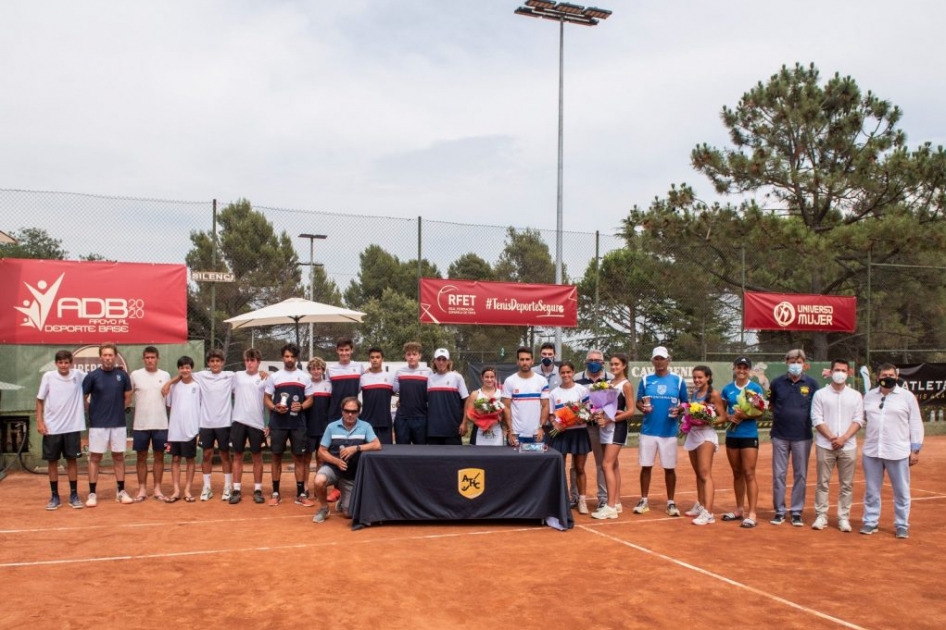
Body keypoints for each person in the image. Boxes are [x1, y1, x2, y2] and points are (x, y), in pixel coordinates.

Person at [861, 364, 924, 538]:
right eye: (883, 374)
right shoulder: (869, 397)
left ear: (897, 377)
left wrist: (915, 449)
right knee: (872, 490)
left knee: (901, 491)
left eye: (890, 374)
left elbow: (916, 422)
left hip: (898, 451)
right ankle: (870, 522)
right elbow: (860, 419)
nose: (887, 377)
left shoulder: (907, 397)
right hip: (872, 451)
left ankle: (902, 524)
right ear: (877, 377)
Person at [810, 359, 863, 532]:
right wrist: (833, 437)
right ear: (831, 371)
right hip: (825, 445)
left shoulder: (855, 396)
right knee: (822, 483)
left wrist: (844, 438)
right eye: (837, 370)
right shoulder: (820, 394)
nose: (840, 373)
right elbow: (817, 419)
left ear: (848, 373)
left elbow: (858, 420)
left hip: (848, 447)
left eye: (843, 370)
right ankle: (821, 516)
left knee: (846, 484)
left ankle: (843, 518)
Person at [634, 346, 688, 517]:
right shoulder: (645, 379)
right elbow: (638, 402)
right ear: (652, 361)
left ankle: (671, 502)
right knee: (646, 466)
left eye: (662, 358)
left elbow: (685, 403)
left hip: (669, 431)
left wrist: (679, 410)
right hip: (648, 431)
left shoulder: (678, 380)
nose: (659, 362)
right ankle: (643, 500)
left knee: (669, 468)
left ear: (668, 360)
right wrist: (643, 408)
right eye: (656, 359)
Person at [768, 349, 818, 527]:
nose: (795, 364)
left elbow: (816, 408)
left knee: (800, 475)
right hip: (780, 435)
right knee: (779, 475)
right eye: (792, 361)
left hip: (803, 436)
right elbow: (771, 404)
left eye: (799, 361)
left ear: (804, 363)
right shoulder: (777, 383)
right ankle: (779, 511)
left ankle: (796, 512)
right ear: (786, 362)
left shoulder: (812, 383)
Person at [312, 397, 382, 523]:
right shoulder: (331, 427)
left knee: (348, 514)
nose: (350, 414)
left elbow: (377, 445)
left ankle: (342, 503)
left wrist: (356, 448)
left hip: (351, 474)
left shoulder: (365, 426)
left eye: (354, 411)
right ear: (342, 411)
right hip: (333, 468)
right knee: (318, 480)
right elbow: (321, 451)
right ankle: (324, 508)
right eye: (347, 411)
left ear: (359, 412)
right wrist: (336, 461)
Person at [264, 343, 315, 507]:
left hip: (298, 424)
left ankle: (300, 493)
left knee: (299, 458)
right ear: (282, 357)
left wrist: (301, 406)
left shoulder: (305, 377)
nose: (289, 359)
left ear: (297, 358)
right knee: (276, 457)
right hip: (278, 424)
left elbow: (310, 400)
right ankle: (275, 492)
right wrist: (274, 407)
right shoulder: (274, 377)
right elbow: (266, 398)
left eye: (292, 356)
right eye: (286, 356)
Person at [82, 343, 133, 506]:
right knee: (95, 457)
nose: (108, 358)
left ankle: (120, 491)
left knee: (118, 456)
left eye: (111, 355)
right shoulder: (92, 376)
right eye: (105, 355)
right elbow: (83, 399)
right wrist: (95, 412)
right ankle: (92, 494)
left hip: (118, 423)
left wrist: (117, 410)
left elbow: (128, 398)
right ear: (100, 357)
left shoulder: (122, 376)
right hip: (98, 425)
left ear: (115, 356)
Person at [36, 350, 86, 510]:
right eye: (60, 362)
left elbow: (96, 379)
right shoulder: (48, 377)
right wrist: (39, 421)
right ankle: (54, 496)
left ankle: (73, 495)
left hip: (73, 427)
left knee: (72, 460)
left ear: (71, 363)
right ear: (56, 363)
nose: (64, 366)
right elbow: (39, 399)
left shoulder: (78, 375)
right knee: (53, 462)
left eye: (66, 362)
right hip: (52, 427)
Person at [720, 356, 766, 529]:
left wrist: (744, 416)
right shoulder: (727, 389)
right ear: (734, 368)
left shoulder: (754, 388)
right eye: (739, 367)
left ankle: (752, 513)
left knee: (749, 473)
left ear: (749, 370)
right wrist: (730, 417)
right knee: (737, 472)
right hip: (732, 436)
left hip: (748, 434)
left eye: (745, 368)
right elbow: (722, 413)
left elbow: (760, 413)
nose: (742, 370)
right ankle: (739, 509)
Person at [592, 353, 635, 520]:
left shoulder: (626, 385)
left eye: (617, 364)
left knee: (606, 464)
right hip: (605, 426)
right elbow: (604, 405)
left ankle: (609, 507)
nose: (614, 367)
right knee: (613, 465)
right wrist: (599, 414)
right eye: (612, 364)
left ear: (624, 366)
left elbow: (631, 411)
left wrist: (611, 419)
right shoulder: (608, 383)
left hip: (617, 427)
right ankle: (616, 502)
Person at [684, 365, 727, 526]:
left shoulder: (714, 394)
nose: (697, 380)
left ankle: (708, 513)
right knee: (698, 473)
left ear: (708, 377)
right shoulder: (695, 393)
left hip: (706, 435)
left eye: (700, 377)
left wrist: (707, 420)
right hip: (694, 434)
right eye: (695, 377)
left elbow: (723, 417)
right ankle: (701, 505)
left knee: (705, 473)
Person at [547, 362, 592, 513]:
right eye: (563, 373)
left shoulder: (582, 390)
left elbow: (588, 410)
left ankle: (582, 501)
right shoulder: (554, 393)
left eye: (568, 372)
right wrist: (555, 424)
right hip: (561, 434)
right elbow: (551, 415)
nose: (566, 375)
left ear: (573, 373)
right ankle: (561, 500)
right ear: (560, 374)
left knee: (579, 468)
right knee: (560, 467)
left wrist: (583, 418)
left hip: (579, 433)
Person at [228, 348, 268, 505]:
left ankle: (258, 490)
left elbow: (268, 400)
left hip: (256, 424)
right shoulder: (236, 376)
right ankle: (236, 490)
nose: (249, 363)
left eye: (253, 360)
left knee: (257, 457)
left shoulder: (264, 378)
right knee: (237, 455)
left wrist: (268, 424)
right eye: (247, 360)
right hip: (238, 421)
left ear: (258, 362)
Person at [130, 346, 170, 502]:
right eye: (147, 357)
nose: (150, 360)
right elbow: (127, 395)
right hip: (140, 425)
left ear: (158, 359)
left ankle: (157, 489)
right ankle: (142, 490)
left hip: (161, 424)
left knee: (159, 457)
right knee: (141, 457)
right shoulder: (135, 375)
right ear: (143, 359)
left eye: (153, 357)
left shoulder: (165, 375)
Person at [574, 349, 609, 510]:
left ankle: (603, 497)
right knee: (577, 465)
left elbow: (614, 403)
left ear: (602, 362)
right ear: (586, 362)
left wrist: (604, 415)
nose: (593, 363)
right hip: (580, 427)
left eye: (597, 360)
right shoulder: (576, 379)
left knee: (601, 463)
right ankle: (574, 496)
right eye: (590, 360)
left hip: (600, 427)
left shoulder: (611, 379)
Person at [165, 356, 200, 503]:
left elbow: (201, 406)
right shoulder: (173, 386)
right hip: (175, 430)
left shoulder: (197, 386)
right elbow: (169, 405)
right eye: (182, 368)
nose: (185, 370)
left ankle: (187, 490)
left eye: (187, 368)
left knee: (190, 460)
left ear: (191, 369)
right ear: (178, 370)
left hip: (191, 430)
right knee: (176, 459)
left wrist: (198, 430)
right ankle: (176, 490)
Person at [502, 346, 550, 447]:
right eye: (522, 359)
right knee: (513, 463)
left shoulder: (542, 381)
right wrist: (510, 430)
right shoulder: (509, 381)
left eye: (527, 359)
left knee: (537, 462)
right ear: (517, 361)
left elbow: (545, 406)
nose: (525, 362)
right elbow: (506, 407)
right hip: (516, 434)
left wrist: (541, 427)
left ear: (532, 361)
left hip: (536, 434)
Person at [427, 348, 469, 445]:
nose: (441, 362)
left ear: (448, 361)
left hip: (453, 429)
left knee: (454, 459)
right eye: (438, 359)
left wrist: (464, 422)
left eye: (444, 359)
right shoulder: (429, 379)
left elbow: (467, 400)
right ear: (434, 361)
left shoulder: (457, 377)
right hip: (434, 430)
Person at [304, 357, 332, 495]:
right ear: (309, 370)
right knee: (306, 459)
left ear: (323, 370)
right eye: (313, 369)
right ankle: (304, 487)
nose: (316, 371)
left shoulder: (328, 385)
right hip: (308, 428)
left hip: (323, 428)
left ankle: (318, 487)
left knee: (321, 458)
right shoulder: (305, 385)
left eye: (319, 368)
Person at [393, 341, 430, 445]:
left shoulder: (428, 372)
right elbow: (392, 390)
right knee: (401, 451)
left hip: (421, 418)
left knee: (421, 452)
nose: (411, 357)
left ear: (420, 356)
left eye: (414, 354)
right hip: (402, 418)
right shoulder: (399, 372)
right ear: (405, 356)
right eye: (409, 354)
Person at [360, 347, 395, 445]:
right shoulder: (363, 378)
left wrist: (400, 401)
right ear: (369, 359)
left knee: (386, 452)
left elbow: (401, 392)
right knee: (367, 453)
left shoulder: (390, 377)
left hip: (384, 421)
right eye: (372, 357)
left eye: (378, 357)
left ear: (382, 359)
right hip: (367, 422)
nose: (375, 359)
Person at [464, 367, 507, 446]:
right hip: (479, 430)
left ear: (495, 378)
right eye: (487, 377)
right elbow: (469, 414)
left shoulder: (501, 393)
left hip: (496, 429)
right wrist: (483, 423)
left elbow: (505, 412)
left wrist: (497, 420)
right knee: (478, 456)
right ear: (482, 378)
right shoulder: (475, 394)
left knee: (497, 456)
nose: (489, 379)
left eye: (492, 377)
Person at [327, 336, 363, 422]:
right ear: (337, 350)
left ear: (352, 350)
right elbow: (328, 391)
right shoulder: (330, 369)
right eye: (341, 350)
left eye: (347, 350)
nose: (344, 353)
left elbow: (360, 388)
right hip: (335, 413)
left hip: (353, 413)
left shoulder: (359, 367)